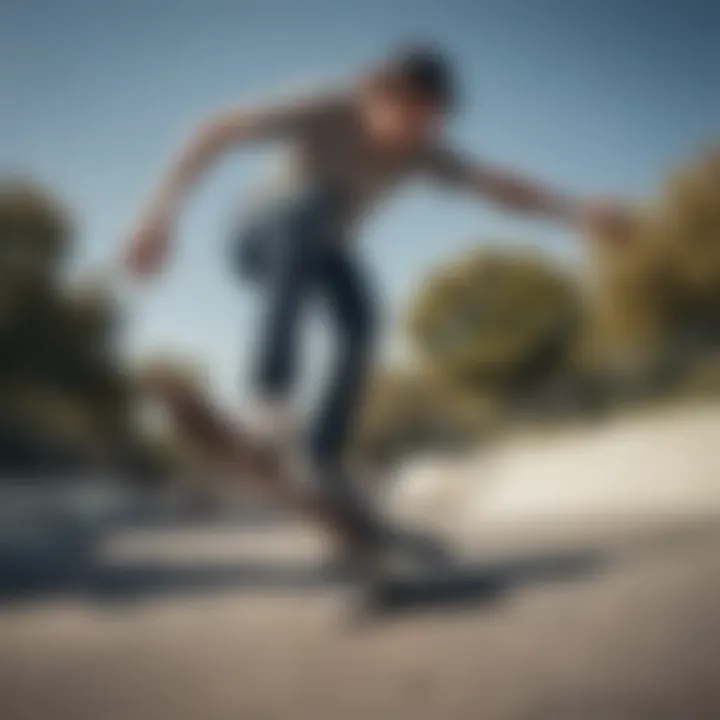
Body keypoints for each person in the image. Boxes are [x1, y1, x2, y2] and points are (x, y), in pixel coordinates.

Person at [124, 43, 628, 563]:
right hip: (259, 235)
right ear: (373, 90)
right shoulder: (322, 106)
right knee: (312, 208)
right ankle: (267, 407)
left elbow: (497, 186)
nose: (411, 134)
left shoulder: (423, 152)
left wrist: (573, 211)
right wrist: (157, 215)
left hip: (322, 249)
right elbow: (213, 130)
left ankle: (323, 461)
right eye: (406, 115)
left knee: (361, 324)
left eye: (427, 123)